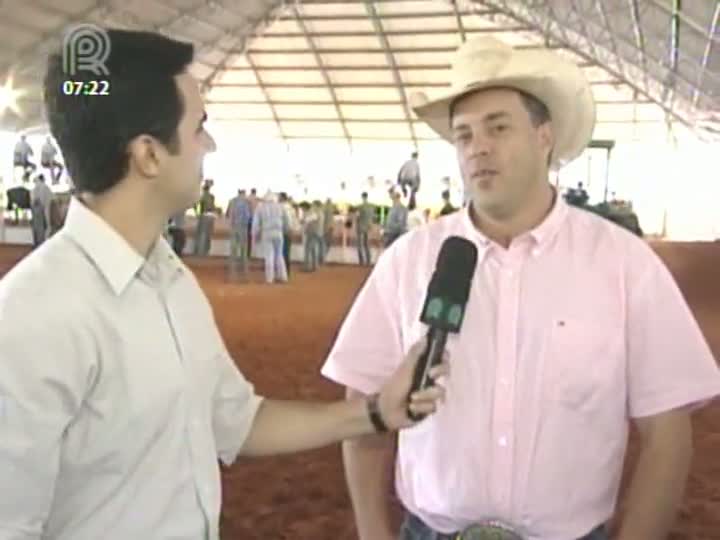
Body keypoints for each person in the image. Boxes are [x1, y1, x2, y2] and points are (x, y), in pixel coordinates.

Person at [0, 28, 449, 540]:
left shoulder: (170, 280)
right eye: (199, 128)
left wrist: (373, 412)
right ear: (148, 155)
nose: (209, 144)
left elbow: (235, 421)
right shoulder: (33, 316)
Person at [320, 36, 720, 540]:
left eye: (498, 127)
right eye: (463, 135)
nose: (477, 147)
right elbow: (364, 413)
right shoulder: (408, 260)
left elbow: (667, 434)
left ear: (544, 136)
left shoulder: (625, 264)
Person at [252, 190, 288, 284]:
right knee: (279, 255)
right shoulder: (281, 207)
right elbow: (287, 220)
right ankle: (283, 276)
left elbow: (256, 223)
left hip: (267, 233)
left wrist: (255, 234)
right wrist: (286, 229)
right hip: (279, 232)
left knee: (269, 256)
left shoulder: (260, 207)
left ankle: (269, 278)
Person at [226, 188, 252, 279]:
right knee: (243, 251)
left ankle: (232, 273)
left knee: (233, 250)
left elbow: (228, 214)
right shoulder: (246, 202)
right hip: (243, 228)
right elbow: (248, 216)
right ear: (244, 193)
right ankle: (245, 273)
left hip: (234, 227)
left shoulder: (232, 201)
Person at [30, 174, 53, 247]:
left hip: (38, 210)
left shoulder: (35, 189)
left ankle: (38, 244)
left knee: (38, 228)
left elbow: (34, 201)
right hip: (44, 210)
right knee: (44, 227)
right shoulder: (46, 188)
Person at [193, 179, 215, 255]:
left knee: (203, 235)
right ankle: (201, 252)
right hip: (206, 216)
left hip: (205, 216)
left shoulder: (206, 196)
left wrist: (197, 213)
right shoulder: (206, 196)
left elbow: (195, 205)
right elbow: (196, 205)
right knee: (204, 235)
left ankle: (202, 252)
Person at [355, 192, 374, 266]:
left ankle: (361, 261)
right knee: (367, 244)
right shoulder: (371, 206)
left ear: (362, 197)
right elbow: (372, 217)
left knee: (360, 244)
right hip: (368, 227)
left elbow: (357, 216)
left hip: (360, 226)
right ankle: (368, 260)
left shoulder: (360, 207)